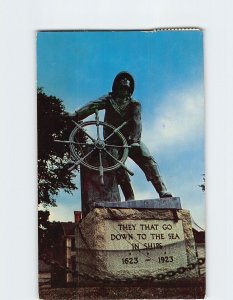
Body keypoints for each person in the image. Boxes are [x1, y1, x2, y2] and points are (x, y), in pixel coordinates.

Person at [71, 71, 172, 199]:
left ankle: (162, 190)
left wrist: (135, 141)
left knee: (147, 158)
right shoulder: (108, 100)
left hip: (131, 140)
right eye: (121, 87)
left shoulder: (134, 104)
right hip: (112, 141)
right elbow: (92, 106)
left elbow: (137, 123)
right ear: (116, 87)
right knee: (117, 165)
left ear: (130, 90)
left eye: (126, 88)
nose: (124, 90)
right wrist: (76, 114)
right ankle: (130, 197)